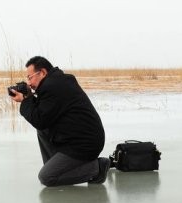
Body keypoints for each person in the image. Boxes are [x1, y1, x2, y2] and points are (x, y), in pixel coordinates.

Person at [10, 56, 110, 186]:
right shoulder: (56, 82)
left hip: (84, 144)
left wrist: (25, 100)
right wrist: (29, 97)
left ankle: (97, 168)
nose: (29, 83)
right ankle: (57, 168)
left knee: (46, 178)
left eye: (30, 77)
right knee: (43, 129)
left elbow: (39, 119)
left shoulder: (53, 86)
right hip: (77, 138)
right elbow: (43, 115)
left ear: (43, 72)